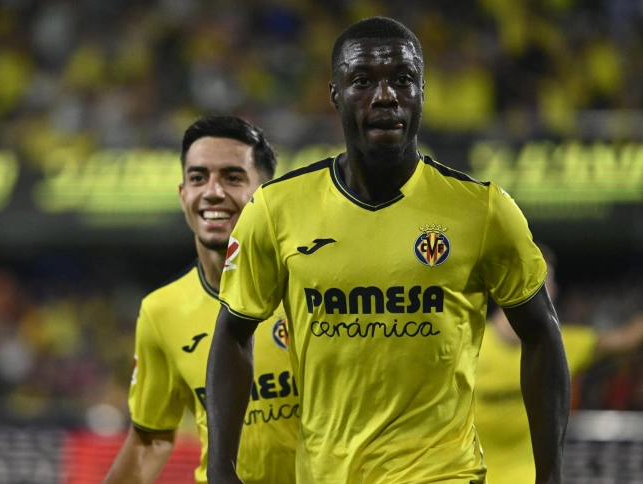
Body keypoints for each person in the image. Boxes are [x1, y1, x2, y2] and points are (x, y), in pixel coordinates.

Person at [205, 16, 570, 484]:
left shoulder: (482, 210)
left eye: (402, 79)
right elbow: (233, 332)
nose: (385, 96)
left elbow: (543, 334)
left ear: (422, 92)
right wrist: (220, 469)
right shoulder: (277, 209)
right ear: (335, 94)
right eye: (363, 81)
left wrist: (551, 475)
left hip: (444, 473)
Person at [103, 116, 299, 484]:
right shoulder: (160, 311)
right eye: (198, 178)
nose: (212, 191)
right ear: (183, 196)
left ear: (267, 193)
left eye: (232, 177)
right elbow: (151, 439)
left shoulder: (309, 287)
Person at [476, 246, 643, 484]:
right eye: (548, 282)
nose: (554, 291)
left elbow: (626, 340)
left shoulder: (560, 344)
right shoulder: (470, 347)